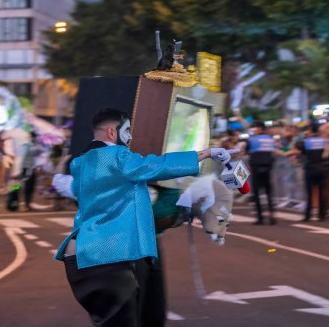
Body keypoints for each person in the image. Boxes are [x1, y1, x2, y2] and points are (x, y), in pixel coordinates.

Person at [53, 108, 236, 327]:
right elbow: (158, 165)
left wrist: (56, 170)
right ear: (112, 132)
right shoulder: (118, 157)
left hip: (83, 258)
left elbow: (64, 184)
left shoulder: (81, 164)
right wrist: (206, 153)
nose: (130, 137)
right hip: (109, 257)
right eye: (127, 131)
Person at [291, 123, 329, 221]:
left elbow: (299, 148)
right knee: (321, 191)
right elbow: (326, 154)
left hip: (310, 167)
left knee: (309, 192)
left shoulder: (306, 141)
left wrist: (304, 135)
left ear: (310, 130)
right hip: (322, 168)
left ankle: (307, 215)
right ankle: (322, 215)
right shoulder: (324, 141)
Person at [245, 121, 276, 225]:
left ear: (259, 129)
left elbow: (247, 151)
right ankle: (272, 216)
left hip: (256, 168)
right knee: (268, 193)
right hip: (268, 168)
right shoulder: (271, 140)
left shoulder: (252, 140)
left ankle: (260, 218)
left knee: (257, 194)